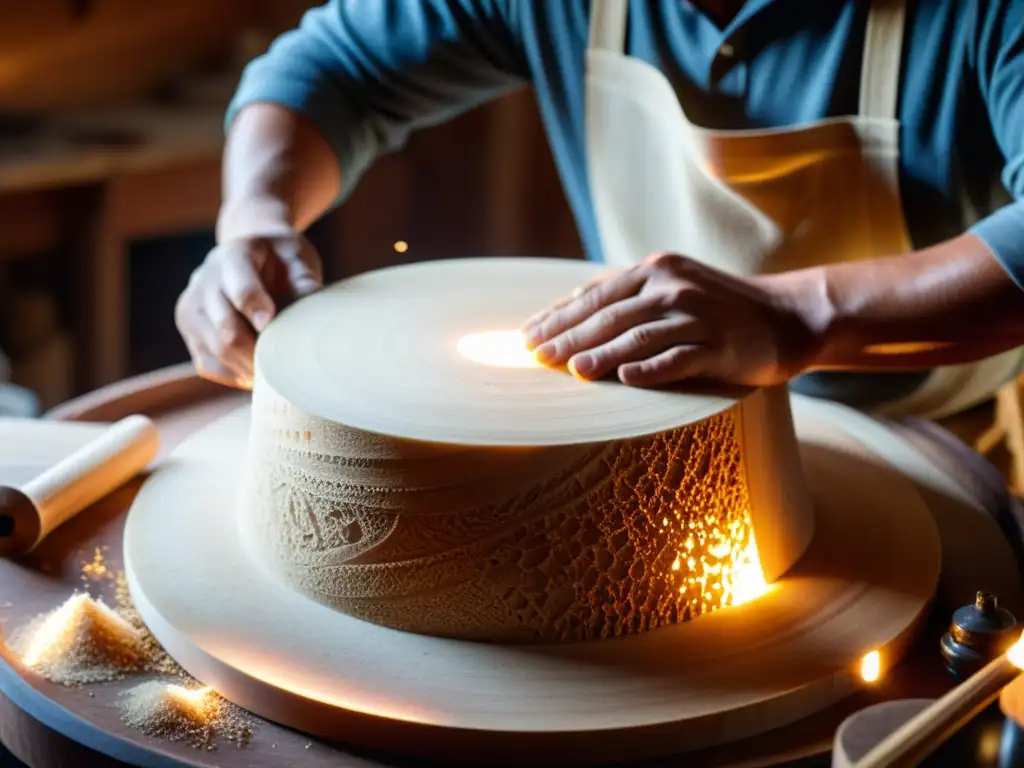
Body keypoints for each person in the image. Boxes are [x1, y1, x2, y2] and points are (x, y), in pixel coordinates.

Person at [175, 0, 1024, 420]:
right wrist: (253, 219)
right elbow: (331, 71)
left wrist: (796, 315)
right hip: (650, 435)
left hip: (930, 443)